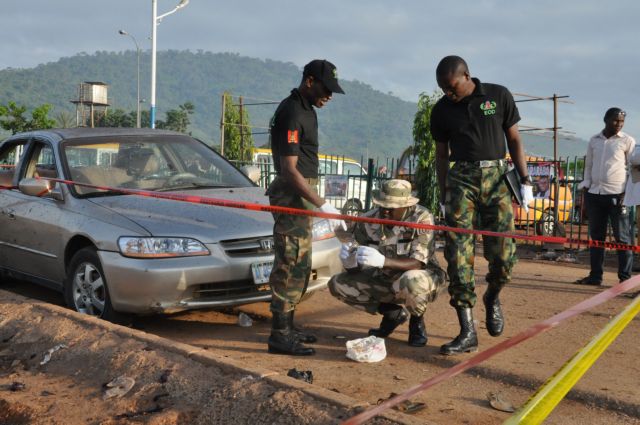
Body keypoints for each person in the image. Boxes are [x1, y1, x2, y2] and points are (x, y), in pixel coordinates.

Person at [430, 55, 532, 355]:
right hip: (461, 179)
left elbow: (514, 139)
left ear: (467, 76)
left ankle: (492, 296)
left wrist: (524, 179)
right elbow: (440, 154)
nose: (448, 93)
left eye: (451, 87)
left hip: (497, 178)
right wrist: (443, 193)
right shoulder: (442, 110)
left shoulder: (498, 95)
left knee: (504, 258)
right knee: (458, 256)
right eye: (442, 89)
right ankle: (467, 330)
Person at [266, 59, 346, 356]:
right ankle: (279, 335)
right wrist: (323, 204)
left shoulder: (306, 110)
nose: (329, 96)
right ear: (309, 81)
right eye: (326, 89)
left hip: (301, 193)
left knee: (300, 261)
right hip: (292, 195)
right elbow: (289, 170)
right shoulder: (292, 111)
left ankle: (289, 326)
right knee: (289, 261)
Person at [328, 179, 446, 346]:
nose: (385, 212)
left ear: (405, 206)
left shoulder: (421, 218)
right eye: (382, 205)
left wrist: (383, 261)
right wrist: (350, 263)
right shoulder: (369, 220)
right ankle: (392, 314)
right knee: (337, 284)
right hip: (384, 276)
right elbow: (357, 261)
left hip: (424, 276)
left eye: (391, 208)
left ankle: (417, 322)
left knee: (411, 280)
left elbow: (418, 263)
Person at [576, 108, 635, 286]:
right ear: (606, 120)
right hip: (595, 194)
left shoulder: (627, 140)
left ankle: (624, 279)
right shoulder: (594, 140)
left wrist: (627, 192)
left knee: (623, 239)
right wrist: (586, 188)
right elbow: (589, 166)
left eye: (621, 121)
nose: (618, 124)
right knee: (596, 238)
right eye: (615, 120)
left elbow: (633, 168)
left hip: (618, 195)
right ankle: (595, 277)